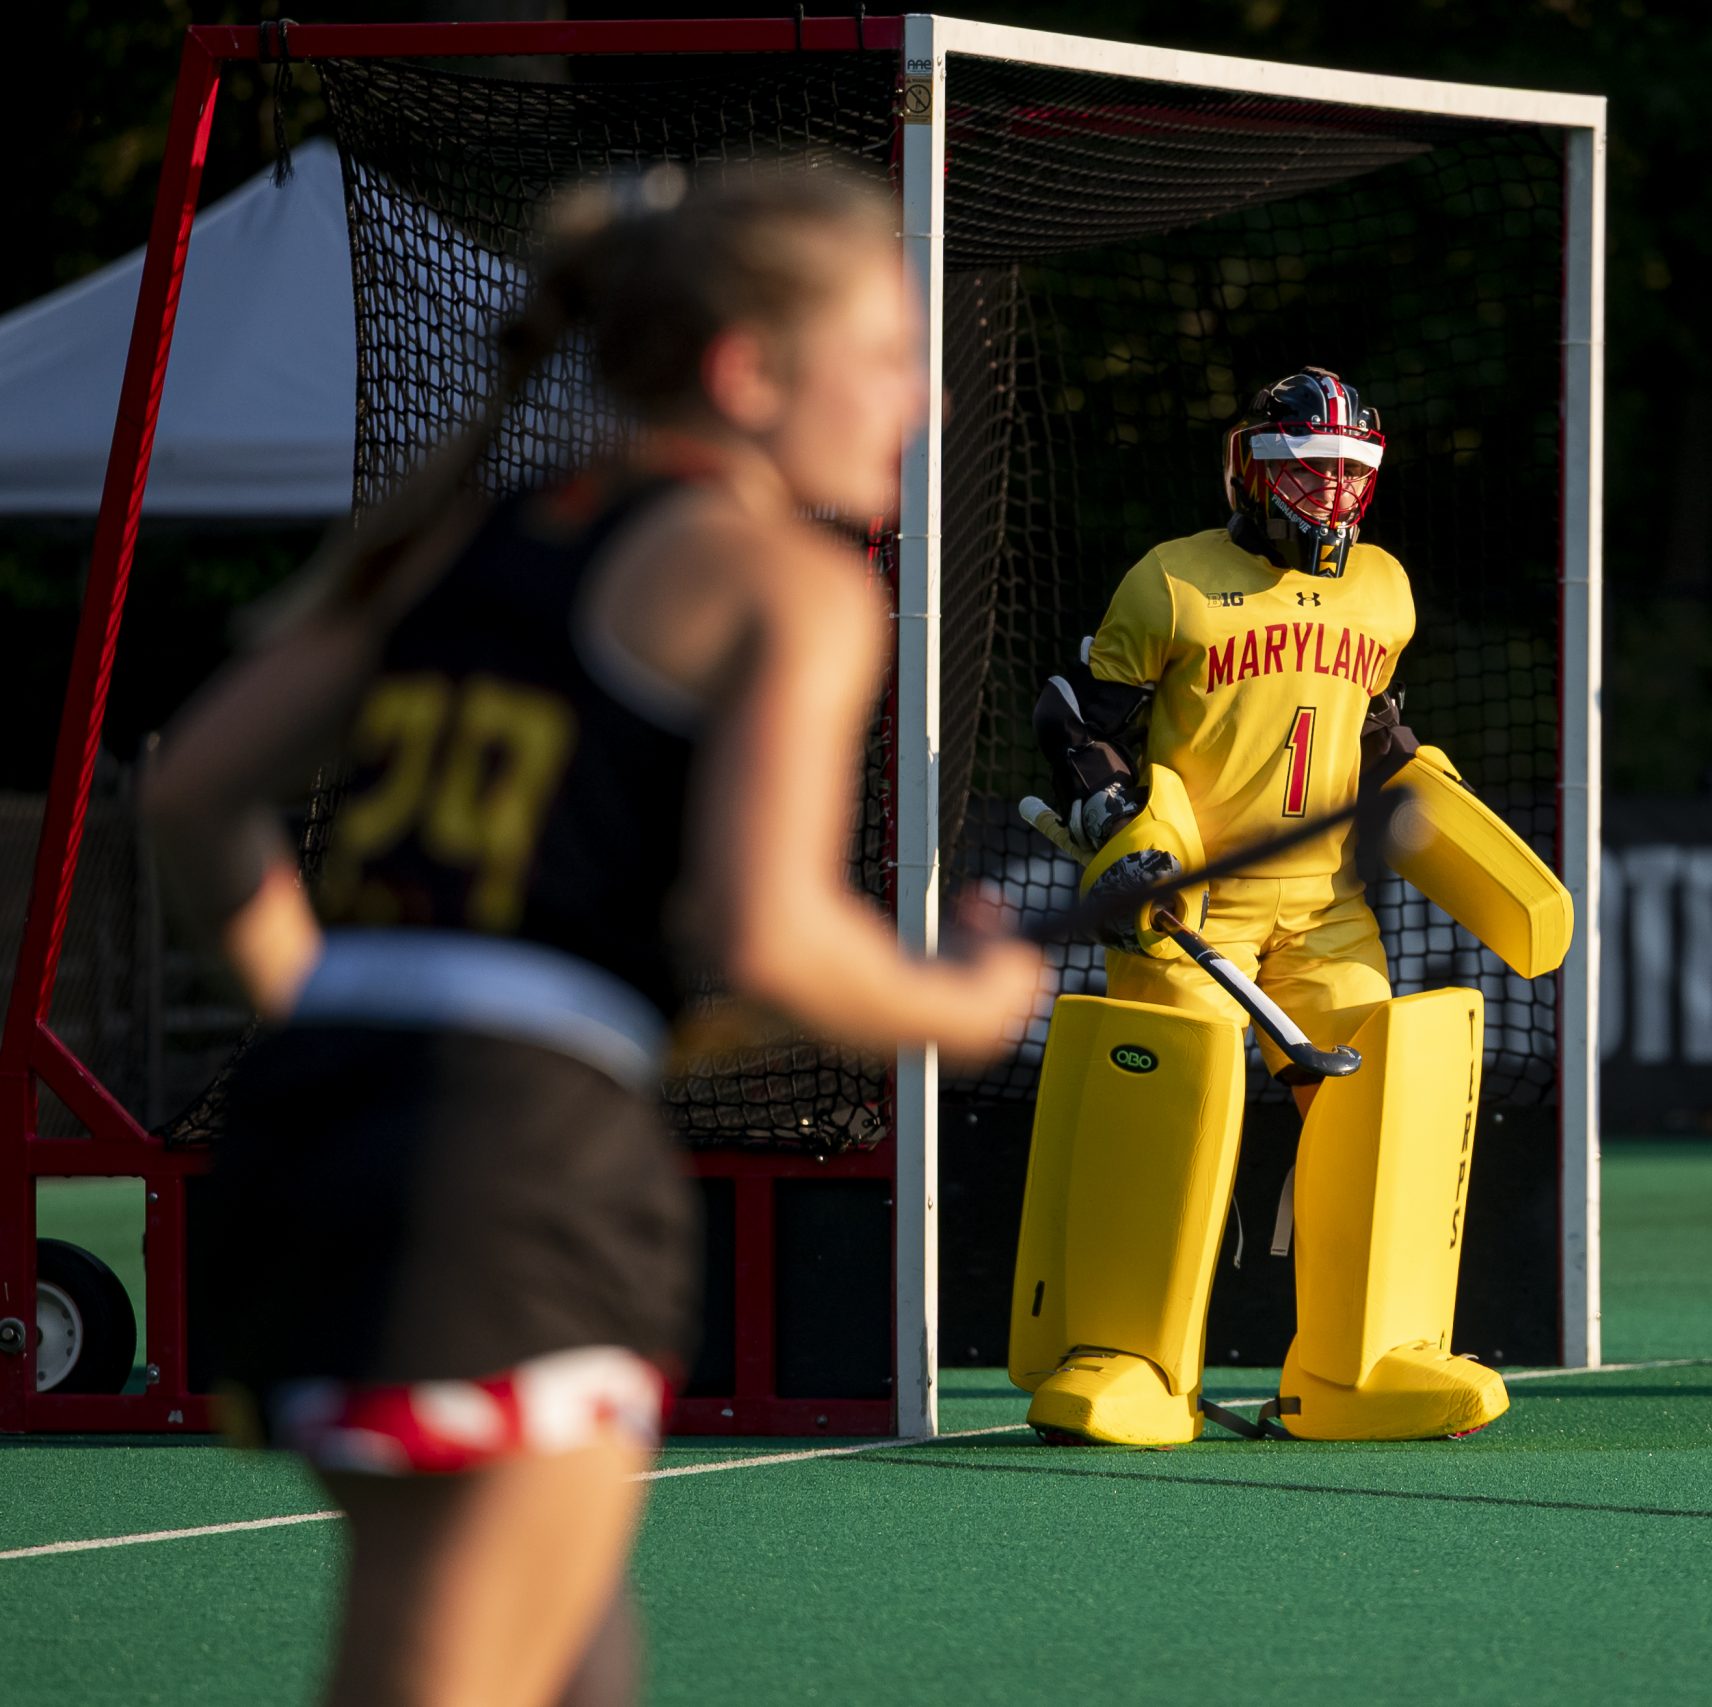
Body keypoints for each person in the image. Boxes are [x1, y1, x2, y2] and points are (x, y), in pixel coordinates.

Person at [144, 165, 1045, 1707]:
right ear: (746, 372)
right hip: (508, 1172)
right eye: (890, 354)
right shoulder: (788, 578)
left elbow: (190, 795)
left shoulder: (454, 529)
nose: (929, 400)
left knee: (570, 1665)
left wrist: (341, 1007)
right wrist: (960, 1009)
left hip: (328, 1137)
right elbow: (760, 926)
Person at [1009, 368, 1563, 1448]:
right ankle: (1125, 1361)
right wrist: (1120, 826)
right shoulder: (1169, 582)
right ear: (1251, 471)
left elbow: (1373, 731)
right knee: (1166, 1103)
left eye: (1350, 475)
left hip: (1325, 912)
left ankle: (1366, 1367)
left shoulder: (1385, 591)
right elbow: (1080, 721)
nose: (1330, 497)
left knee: (1382, 1104)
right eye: (1306, 473)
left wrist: (1444, 816)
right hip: (1191, 904)